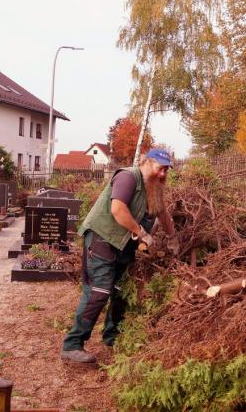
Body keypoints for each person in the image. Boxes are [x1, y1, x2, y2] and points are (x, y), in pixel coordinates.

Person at [61, 149, 179, 363]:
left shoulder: (154, 187)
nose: (163, 174)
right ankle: (72, 344)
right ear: (148, 162)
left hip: (123, 244)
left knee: (120, 289)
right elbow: (118, 210)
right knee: (99, 290)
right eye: (160, 168)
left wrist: (172, 237)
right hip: (102, 238)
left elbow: (163, 213)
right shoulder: (128, 177)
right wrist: (141, 233)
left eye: (166, 170)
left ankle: (112, 337)